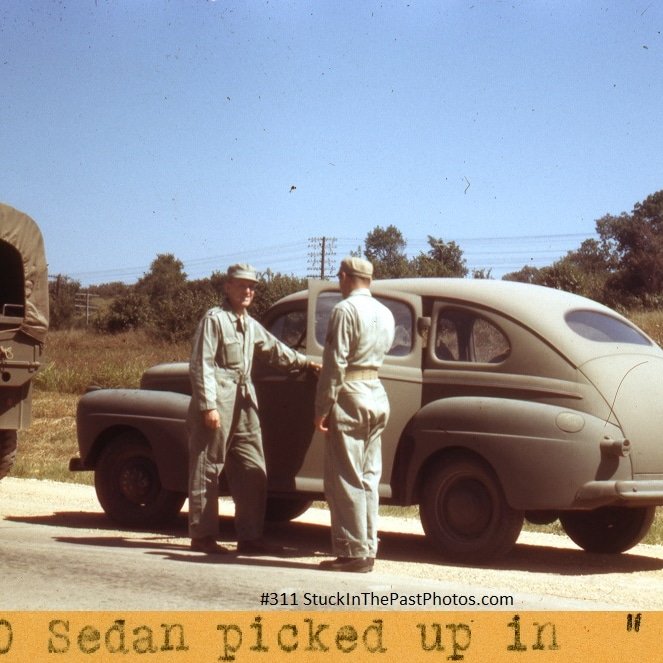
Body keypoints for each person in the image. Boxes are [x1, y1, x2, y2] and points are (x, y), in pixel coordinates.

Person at [187, 263, 319, 555]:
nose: (248, 291)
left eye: (252, 286)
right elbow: (202, 364)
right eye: (242, 285)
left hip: (245, 404)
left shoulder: (248, 323)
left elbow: (273, 348)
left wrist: (306, 362)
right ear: (227, 287)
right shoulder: (215, 320)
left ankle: (249, 537)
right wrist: (208, 406)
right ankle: (203, 536)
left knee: (252, 468)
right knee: (207, 467)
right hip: (219, 401)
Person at [314, 257, 395, 572]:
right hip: (376, 391)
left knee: (345, 476)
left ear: (346, 277)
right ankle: (368, 545)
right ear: (370, 280)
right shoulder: (386, 313)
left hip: (350, 395)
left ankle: (353, 551)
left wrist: (322, 407)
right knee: (369, 477)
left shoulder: (344, 310)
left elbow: (335, 365)